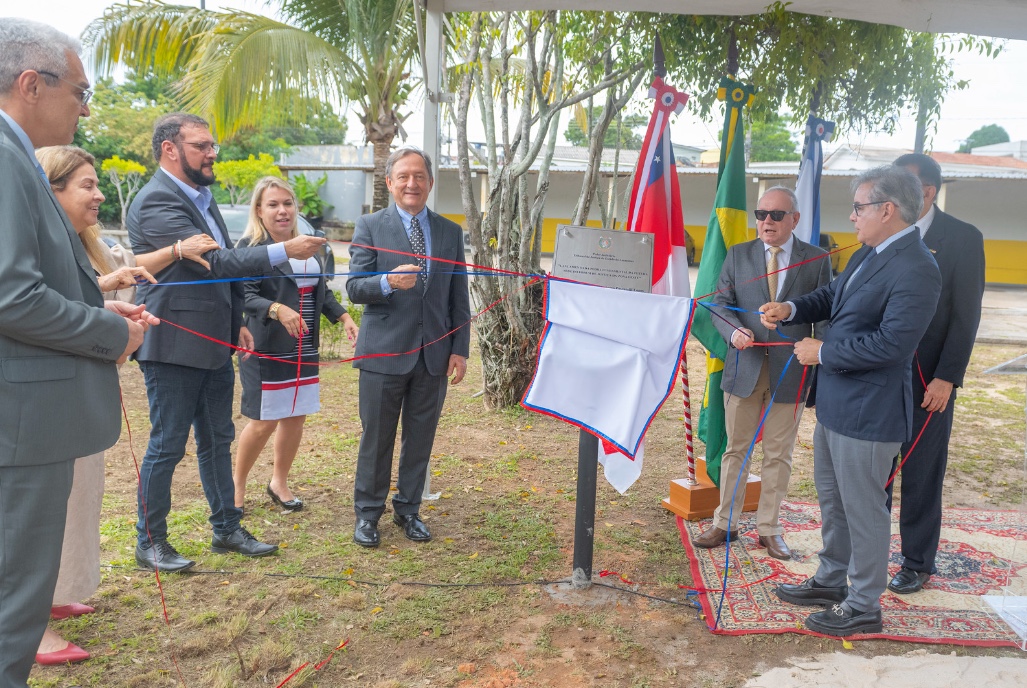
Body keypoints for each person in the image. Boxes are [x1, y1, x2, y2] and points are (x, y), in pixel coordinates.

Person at [0, 18, 154, 685]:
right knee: (15, 603)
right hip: (22, 425)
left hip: (25, 417)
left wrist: (95, 307)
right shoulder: (6, 157)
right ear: (32, 84)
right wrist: (110, 332)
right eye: (81, 92)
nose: (86, 109)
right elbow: (11, 297)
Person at [32, 145, 217, 666]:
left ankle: (52, 594)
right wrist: (113, 327)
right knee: (39, 511)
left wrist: (107, 304)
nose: (98, 195)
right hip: (43, 397)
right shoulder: (36, 242)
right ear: (51, 189)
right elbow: (36, 310)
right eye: (87, 185)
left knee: (76, 499)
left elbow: (71, 302)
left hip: (76, 393)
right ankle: (30, 626)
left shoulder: (75, 242)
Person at [128, 112, 328, 572]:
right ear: (170, 150)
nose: (212, 153)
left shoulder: (202, 197)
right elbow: (215, 264)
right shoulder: (157, 200)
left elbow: (225, 272)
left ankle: (227, 528)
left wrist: (236, 318)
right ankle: (150, 541)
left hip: (216, 341)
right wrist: (284, 250)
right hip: (175, 343)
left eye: (212, 145)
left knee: (218, 439)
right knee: (168, 444)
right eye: (201, 145)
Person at [760, 166, 941, 636]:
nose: (852, 216)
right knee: (834, 502)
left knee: (864, 510)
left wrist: (823, 352)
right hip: (837, 404)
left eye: (859, 207)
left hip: (870, 412)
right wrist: (791, 308)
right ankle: (831, 579)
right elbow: (832, 297)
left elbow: (892, 345)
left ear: (887, 209)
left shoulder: (917, 267)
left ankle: (863, 604)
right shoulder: (869, 252)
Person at [692, 187, 831, 560]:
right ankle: (726, 523)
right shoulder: (738, 254)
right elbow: (719, 304)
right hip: (744, 367)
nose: (766, 221)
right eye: (761, 214)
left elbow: (824, 315)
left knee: (778, 454)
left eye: (776, 215)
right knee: (736, 449)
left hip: (792, 370)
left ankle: (769, 529)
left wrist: (821, 357)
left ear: (794, 219)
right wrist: (734, 331)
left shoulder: (816, 259)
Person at [346, 146, 470, 548]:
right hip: (383, 353)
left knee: (420, 438)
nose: (411, 183)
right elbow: (354, 288)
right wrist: (387, 283)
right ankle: (368, 514)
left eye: (419, 176)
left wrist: (460, 348)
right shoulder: (369, 225)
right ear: (389, 182)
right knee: (376, 439)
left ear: (430, 182)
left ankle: (409, 510)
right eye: (403, 176)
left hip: (433, 355)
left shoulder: (449, 232)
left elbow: (458, 295)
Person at [886, 154, 986, 594]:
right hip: (879, 376)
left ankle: (916, 561)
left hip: (930, 381)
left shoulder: (962, 238)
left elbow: (966, 316)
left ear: (927, 191)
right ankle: (867, 550)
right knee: (876, 469)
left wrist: (948, 376)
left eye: (899, 186)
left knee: (922, 472)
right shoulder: (884, 231)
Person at [233, 177, 359, 513]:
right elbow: (243, 295)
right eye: (273, 204)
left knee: (295, 418)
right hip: (266, 348)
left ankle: (279, 482)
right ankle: (236, 487)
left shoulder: (306, 246)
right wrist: (276, 309)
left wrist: (344, 317)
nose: (282, 211)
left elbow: (321, 291)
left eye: (287, 203)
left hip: (304, 348)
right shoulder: (250, 248)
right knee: (264, 421)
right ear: (259, 210)